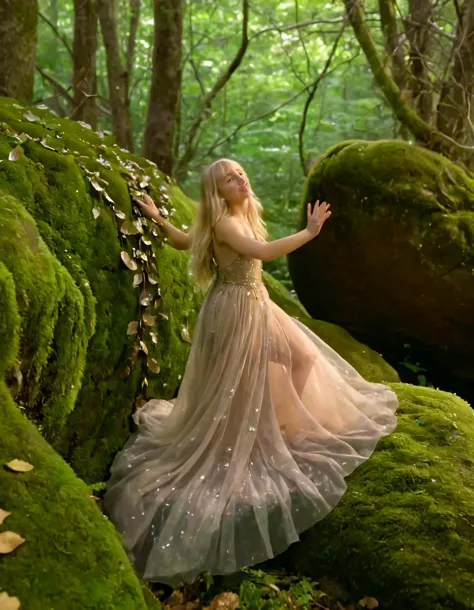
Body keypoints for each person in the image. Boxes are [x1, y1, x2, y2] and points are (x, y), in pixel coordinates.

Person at [103, 158, 398, 586]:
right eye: (229, 178)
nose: (240, 179)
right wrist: (310, 233)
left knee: (304, 359)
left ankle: (282, 423)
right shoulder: (223, 222)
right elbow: (259, 252)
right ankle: (262, 431)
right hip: (235, 309)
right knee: (242, 383)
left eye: (241, 172)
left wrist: (155, 217)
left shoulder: (242, 211)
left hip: (257, 301)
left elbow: (184, 240)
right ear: (216, 191)